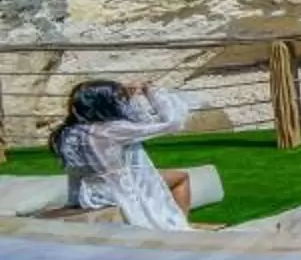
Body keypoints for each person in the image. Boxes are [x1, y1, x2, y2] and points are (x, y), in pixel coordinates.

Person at [48, 79, 197, 229]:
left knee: (161, 177)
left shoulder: (68, 132)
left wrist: (129, 97)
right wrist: (152, 93)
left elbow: (135, 122)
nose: (120, 103)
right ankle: (180, 228)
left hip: (86, 193)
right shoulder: (111, 130)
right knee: (181, 177)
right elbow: (171, 123)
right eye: (116, 100)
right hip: (115, 191)